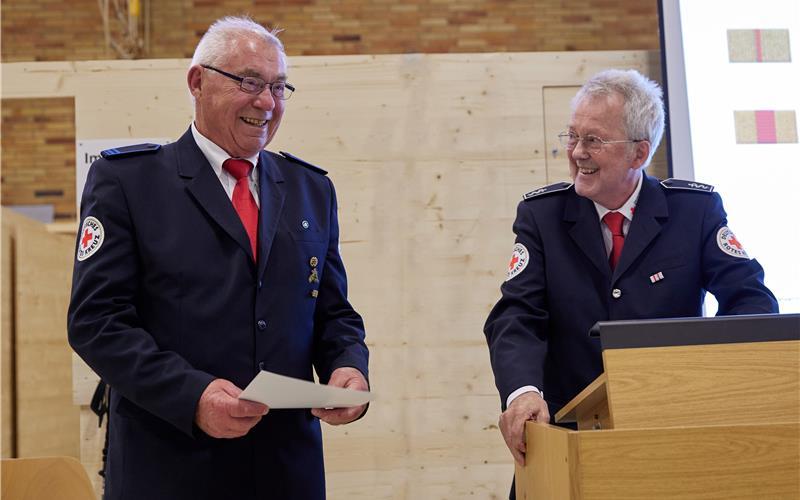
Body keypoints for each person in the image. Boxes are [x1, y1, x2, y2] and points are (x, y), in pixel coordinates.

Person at [68, 16, 369, 500]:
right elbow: (97, 322)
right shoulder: (128, 182)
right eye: (249, 82)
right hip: (170, 468)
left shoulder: (311, 189)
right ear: (197, 82)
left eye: (278, 87)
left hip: (286, 470)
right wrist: (192, 396)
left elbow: (333, 313)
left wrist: (348, 366)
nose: (266, 102)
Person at [483, 68, 778, 496]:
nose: (577, 152)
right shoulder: (542, 216)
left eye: (593, 140)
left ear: (639, 153)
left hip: (671, 439)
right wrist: (522, 393)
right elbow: (516, 317)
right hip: (566, 441)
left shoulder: (694, 211)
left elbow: (752, 304)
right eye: (572, 136)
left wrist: (709, 387)